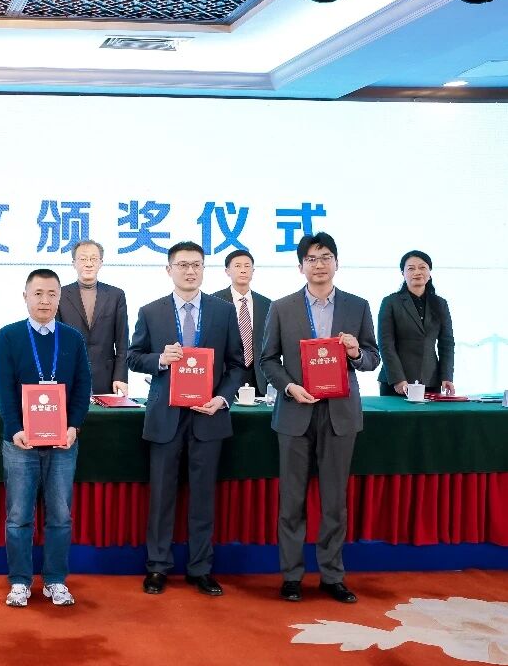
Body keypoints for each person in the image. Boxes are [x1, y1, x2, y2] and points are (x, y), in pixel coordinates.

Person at [260, 232, 380, 604]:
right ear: (301, 267)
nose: (319, 264)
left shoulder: (358, 306)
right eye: (311, 259)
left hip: (340, 415)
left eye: (326, 257)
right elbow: (267, 361)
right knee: (292, 500)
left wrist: (356, 352)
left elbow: (373, 359)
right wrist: (289, 387)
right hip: (296, 411)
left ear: (337, 263)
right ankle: (291, 576)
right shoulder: (282, 307)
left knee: (334, 501)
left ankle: (332, 575)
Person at [128, 242, 246, 597]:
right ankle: (157, 567)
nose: (190, 271)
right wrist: (159, 360)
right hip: (166, 416)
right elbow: (133, 357)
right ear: (169, 270)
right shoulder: (151, 311)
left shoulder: (224, 311)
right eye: (182, 265)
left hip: (208, 415)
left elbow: (237, 364)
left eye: (196, 264)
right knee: (162, 496)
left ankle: (200, 569)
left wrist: (222, 398)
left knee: (203, 496)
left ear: (204, 269)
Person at [0, 269, 91, 608]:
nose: (45, 300)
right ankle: (20, 581)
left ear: (60, 298)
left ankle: (55, 580)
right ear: (25, 296)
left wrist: (74, 426)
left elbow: (83, 386)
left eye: (52, 294)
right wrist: (15, 429)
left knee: (60, 516)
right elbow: (4, 387)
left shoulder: (72, 338)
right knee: (19, 516)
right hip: (20, 443)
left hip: (63, 443)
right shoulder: (9, 335)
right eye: (38, 293)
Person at [377, 250, 455, 396]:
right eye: (411, 268)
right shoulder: (390, 302)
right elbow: (386, 344)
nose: (417, 272)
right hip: (396, 383)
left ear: (429, 272)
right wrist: (398, 379)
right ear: (403, 273)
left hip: (430, 380)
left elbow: (447, 343)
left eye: (422, 267)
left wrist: (447, 376)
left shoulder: (440, 304)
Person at [57, 240, 130, 395]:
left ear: (101, 263)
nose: (88, 264)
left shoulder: (116, 295)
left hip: (106, 378)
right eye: (83, 259)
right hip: (69, 376)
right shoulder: (60, 295)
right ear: (73, 263)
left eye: (93, 259)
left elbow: (123, 342)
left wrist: (121, 377)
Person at [211, 249, 271, 396]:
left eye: (247, 266)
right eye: (237, 266)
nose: (243, 270)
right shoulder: (213, 302)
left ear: (253, 271)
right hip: (224, 375)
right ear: (227, 271)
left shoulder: (267, 304)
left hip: (258, 376)